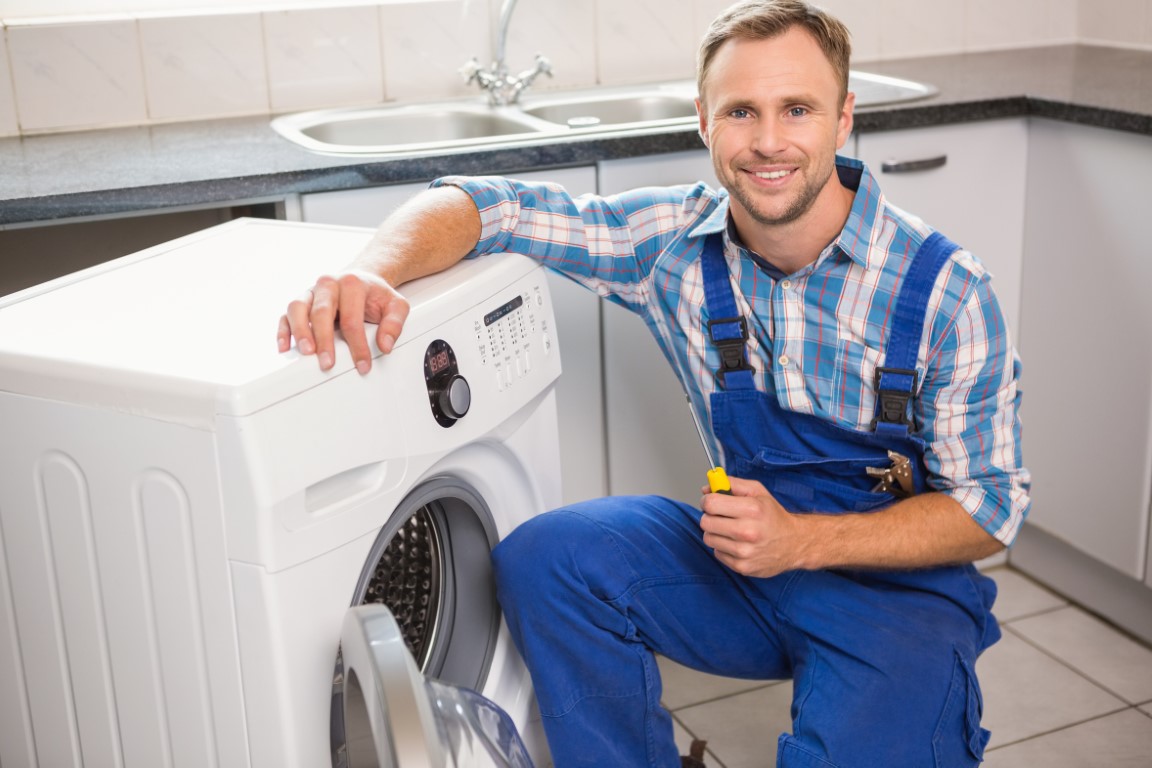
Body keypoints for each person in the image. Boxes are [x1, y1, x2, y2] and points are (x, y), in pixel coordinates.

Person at [279, 1, 1030, 765]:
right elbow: (487, 205)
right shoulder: (672, 244)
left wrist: (801, 540)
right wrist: (368, 271)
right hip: (745, 570)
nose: (768, 141)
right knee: (549, 561)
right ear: (704, 122)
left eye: (796, 109)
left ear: (843, 119)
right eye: (741, 111)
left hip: (895, 597)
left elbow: (990, 510)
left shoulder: (945, 291)